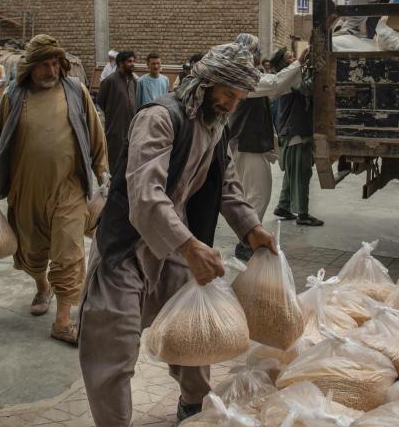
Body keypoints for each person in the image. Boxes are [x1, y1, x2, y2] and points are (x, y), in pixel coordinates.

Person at [79, 35, 277, 426]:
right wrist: (190, 247)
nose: (232, 105)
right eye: (227, 95)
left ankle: (193, 404)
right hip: (127, 245)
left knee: (195, 327)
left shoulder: (215, 125)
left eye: (239, 98)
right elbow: (146, 195)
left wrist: (251, 229)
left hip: (174, 244)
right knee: (112, 347)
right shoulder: (159, 118)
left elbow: (228, 186)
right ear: (204, 86)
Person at [0, 34, 108, 345]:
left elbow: (95, 136)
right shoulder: (14, 97)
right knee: (32, 253)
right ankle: (42, 286)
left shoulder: (76, 92)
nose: (51, 71)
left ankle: (63, 321)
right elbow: (0, 145)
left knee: (69, 254)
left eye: (55, 64)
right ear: (30, 69)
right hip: (26, 192)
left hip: (69, 190)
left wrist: (103, 174)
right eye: (44, 65)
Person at [228, 38, 308, 260]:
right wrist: (297, 63)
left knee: (253, 194)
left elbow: (276, 88)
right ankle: (247, 241)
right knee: (258, 195)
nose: (257, 56)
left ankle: (248, 239)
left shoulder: (244, 74)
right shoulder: (243, 76)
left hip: (248, 144)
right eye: (255, 52)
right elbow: (274, 84)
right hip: (247, 144)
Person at [272, 48, 324, 227]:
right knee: (302, 173)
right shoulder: (289, 79)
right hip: (296, 134)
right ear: (284, 64)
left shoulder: (289, 77)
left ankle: (283, 206)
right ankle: (303, 214)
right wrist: (316, 69)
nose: (294, 59)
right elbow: (308, 88)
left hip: (293, 132)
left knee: (292, 173)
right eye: (290, 58)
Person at [97, 50, 137, 172]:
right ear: (120, 63)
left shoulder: (133, 81)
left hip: (131, 127)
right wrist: (113, 113)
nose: (132, 64)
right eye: (129, 61)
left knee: (129, 160)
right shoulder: (110, 80)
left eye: (133, 61)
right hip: (115, 128)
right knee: (115, 161)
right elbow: (100, 101)